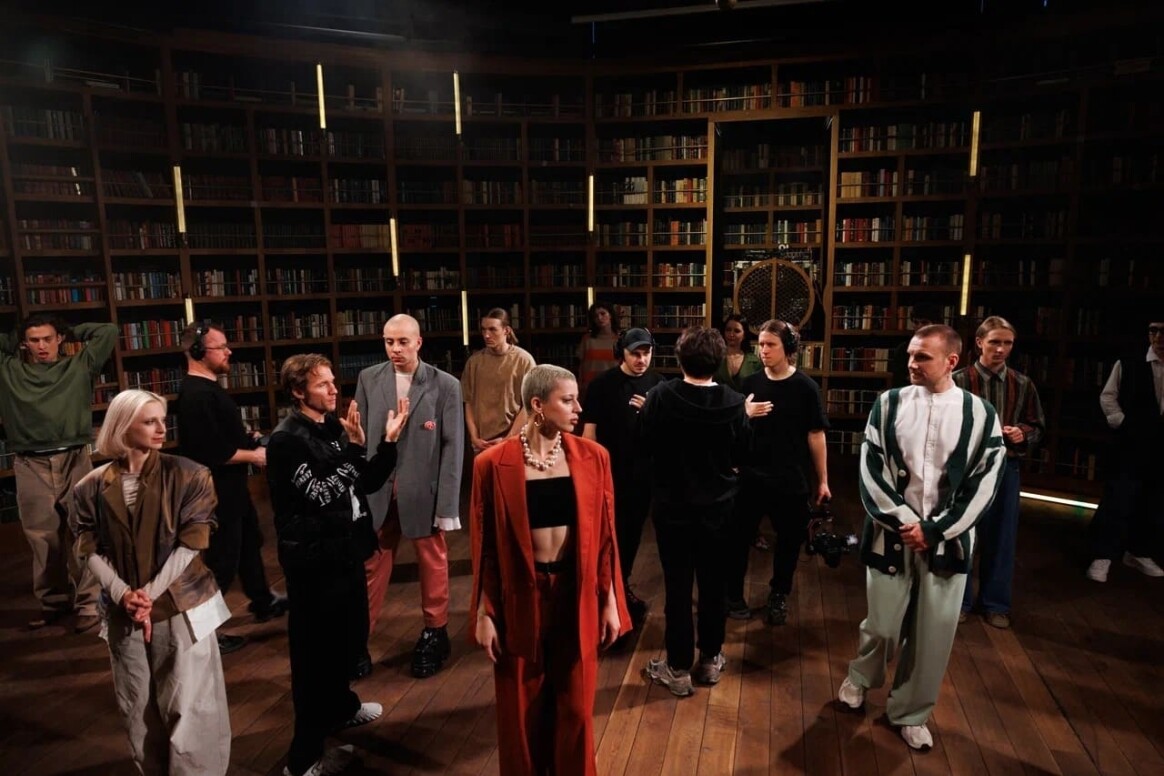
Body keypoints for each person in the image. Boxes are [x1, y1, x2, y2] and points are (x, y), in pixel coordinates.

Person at [837, 324, 1004, 751]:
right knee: (882, 626)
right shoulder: (888, 404)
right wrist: (906, 522)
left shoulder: (981, 414)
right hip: (891, 537)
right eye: (910, 355)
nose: (911, 363)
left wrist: (935, 530)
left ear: (951, 361)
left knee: (933, 636)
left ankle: (910, 712)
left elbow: (985, 482)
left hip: (949, 542)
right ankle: (861, 677)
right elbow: (871, 468)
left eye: (922, 357)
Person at [470, 364, 630, 776]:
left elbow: (606, 539)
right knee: (521, 713)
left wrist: (610, 600)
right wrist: (485, 612)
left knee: (576, 708)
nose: (579, 408)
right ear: (538, 405)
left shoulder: (594, 457)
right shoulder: (491, 464)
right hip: (519, 597)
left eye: (577, 399)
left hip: (576, 592)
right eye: (568, 400)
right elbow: (485, 547)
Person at [70, 389, 232, 775]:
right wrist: (123, 595)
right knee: (138, 708)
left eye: (163, 420)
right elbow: (88, 547)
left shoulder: (190, 474)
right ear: (123, 427)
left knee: (191, 707)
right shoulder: (90, 486)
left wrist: (146, 596)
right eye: (149, 421)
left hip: (181, 604)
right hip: (123, 610)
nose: (162, 428)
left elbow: (192, 544)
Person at [266, 354, 409, 776]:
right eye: (322, 384)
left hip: (344, 551)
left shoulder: (329, 427)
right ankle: (303, 758)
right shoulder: (286, 440)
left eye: (332, 381)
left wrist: (387, 444)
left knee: (348, 640)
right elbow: (322, 492)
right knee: (315, 659)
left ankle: (341, 708)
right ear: (298, 392)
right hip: (314, 561)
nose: (333, 389)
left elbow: (364, 482)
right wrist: (355, 450)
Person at [640, 326, 751, 696]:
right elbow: (743, 453)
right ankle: (710, 658)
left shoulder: (660, 396)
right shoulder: (735, 402)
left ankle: (676, 667)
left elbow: (645, 443)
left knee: (677, 586)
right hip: (720, 509)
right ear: (718, 360)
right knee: (714, 585)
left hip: (672, 507)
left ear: (679, 358)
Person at [354, 314, 464, 680]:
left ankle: (435, 631)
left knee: (432, 562)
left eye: (402, 341)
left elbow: (452, 448)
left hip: (423, 491)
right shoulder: (369, 379)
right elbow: (361, 440)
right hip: (379, 489)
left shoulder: (445, 385)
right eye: (389, 342)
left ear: (418, 342)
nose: (395, 349)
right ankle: (359, 637)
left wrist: (447, 504)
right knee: (372, 563)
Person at [177, 322, 287, 656]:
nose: (229, 352)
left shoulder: (209, 389)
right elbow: (210, 451)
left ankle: (263, 600)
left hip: (232, 487)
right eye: (220, 347)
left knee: (249, 543)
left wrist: (246, 439)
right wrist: (254, 455)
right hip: (216, 492)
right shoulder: (196, 395)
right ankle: (204, 632)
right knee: (223, 561)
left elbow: (220, 437)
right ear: (198, 351)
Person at [1, 313, 115, 633]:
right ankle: (54, 602)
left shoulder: (78, 366)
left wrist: (67, 329)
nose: (42, 346)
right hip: (30, 463)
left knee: (85, 532)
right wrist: (15, 335)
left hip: (73, 458)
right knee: (42, 539)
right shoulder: (9, 369)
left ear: (59, 339)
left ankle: (90, 604)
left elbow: (108, 330)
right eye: (34, 340)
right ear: (24, 343)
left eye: (48, 339)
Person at [725, 320, 830, 626]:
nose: (763, 350)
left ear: (789, 348)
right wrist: (743, 417)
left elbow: (816, 434)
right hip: (751, 477)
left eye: (771, 344)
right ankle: (733, 595)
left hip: (790, 478)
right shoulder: (750, 384)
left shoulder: (805, 388)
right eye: (761, 344)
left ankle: (779, 594)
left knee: (789, 542)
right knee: (738, 539)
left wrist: (823, 480)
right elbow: (735, 430)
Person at [953, 315, 1045, 628]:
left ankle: (995, 604)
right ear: (980, 343)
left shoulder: (1022, 384)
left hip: (1006, 467)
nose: (1001, 349)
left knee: (1002, 537)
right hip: (967, 468)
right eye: (995, 342)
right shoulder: (958, 381)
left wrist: (1023, 433)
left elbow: (1037, 425)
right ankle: (959, 601)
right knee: (962, 534)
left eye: (1007, 343)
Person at [580, 327, 665, 630]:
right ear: (622, 354)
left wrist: (651, 412)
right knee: (606, 536)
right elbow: (589, 433)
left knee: (631, 534)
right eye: (635, 354)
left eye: (646, 353)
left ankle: (621, 586)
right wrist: (590, 475)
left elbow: (666, 434)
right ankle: (604, 593)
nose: (642, 359)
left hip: (643, 475)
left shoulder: (658, 384)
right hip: (609, 473)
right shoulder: (602, 385)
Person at [1086, 320, 1164, 583]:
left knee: (1153, 500)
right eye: (1153, 330)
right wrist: (1122, 422)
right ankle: (1103, 555)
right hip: (1131, 441)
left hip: (1161, 446)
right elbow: (1108, 396)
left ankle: (1138, 552)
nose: (1158, 337)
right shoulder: (1129, 362)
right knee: (1118, 498)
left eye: (1163, 331)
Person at [462, 307, 536, 453]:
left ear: (506, 330)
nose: (486, 335)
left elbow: (529, 405)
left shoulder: (523, 360)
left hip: (514, 439)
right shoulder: (475, 362)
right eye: (484, 330)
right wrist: (474, 437)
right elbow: (468, 401)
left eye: (492, 329)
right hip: (482, 442)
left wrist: (509, 438)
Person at [889, 303, 943, 387]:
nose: (920, 326)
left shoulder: (944, 347)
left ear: (935, 324)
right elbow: (898, 381)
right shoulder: (903, 349)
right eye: (916, 322)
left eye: (924, 322)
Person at [576, 302, 619, 400]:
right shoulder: (587, 339)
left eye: (603, 314)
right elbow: (581, 365)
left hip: (613, 387)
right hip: (590, 387)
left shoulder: (619, 339)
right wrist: (580, 385)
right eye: (596, 316)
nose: (599, 318)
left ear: (610, 315)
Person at [712, 314, 762, 393]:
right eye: (728, 330)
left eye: (737, 331)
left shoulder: (754, 362)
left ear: (744, 335)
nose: (731, 334)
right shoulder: (715, 357)